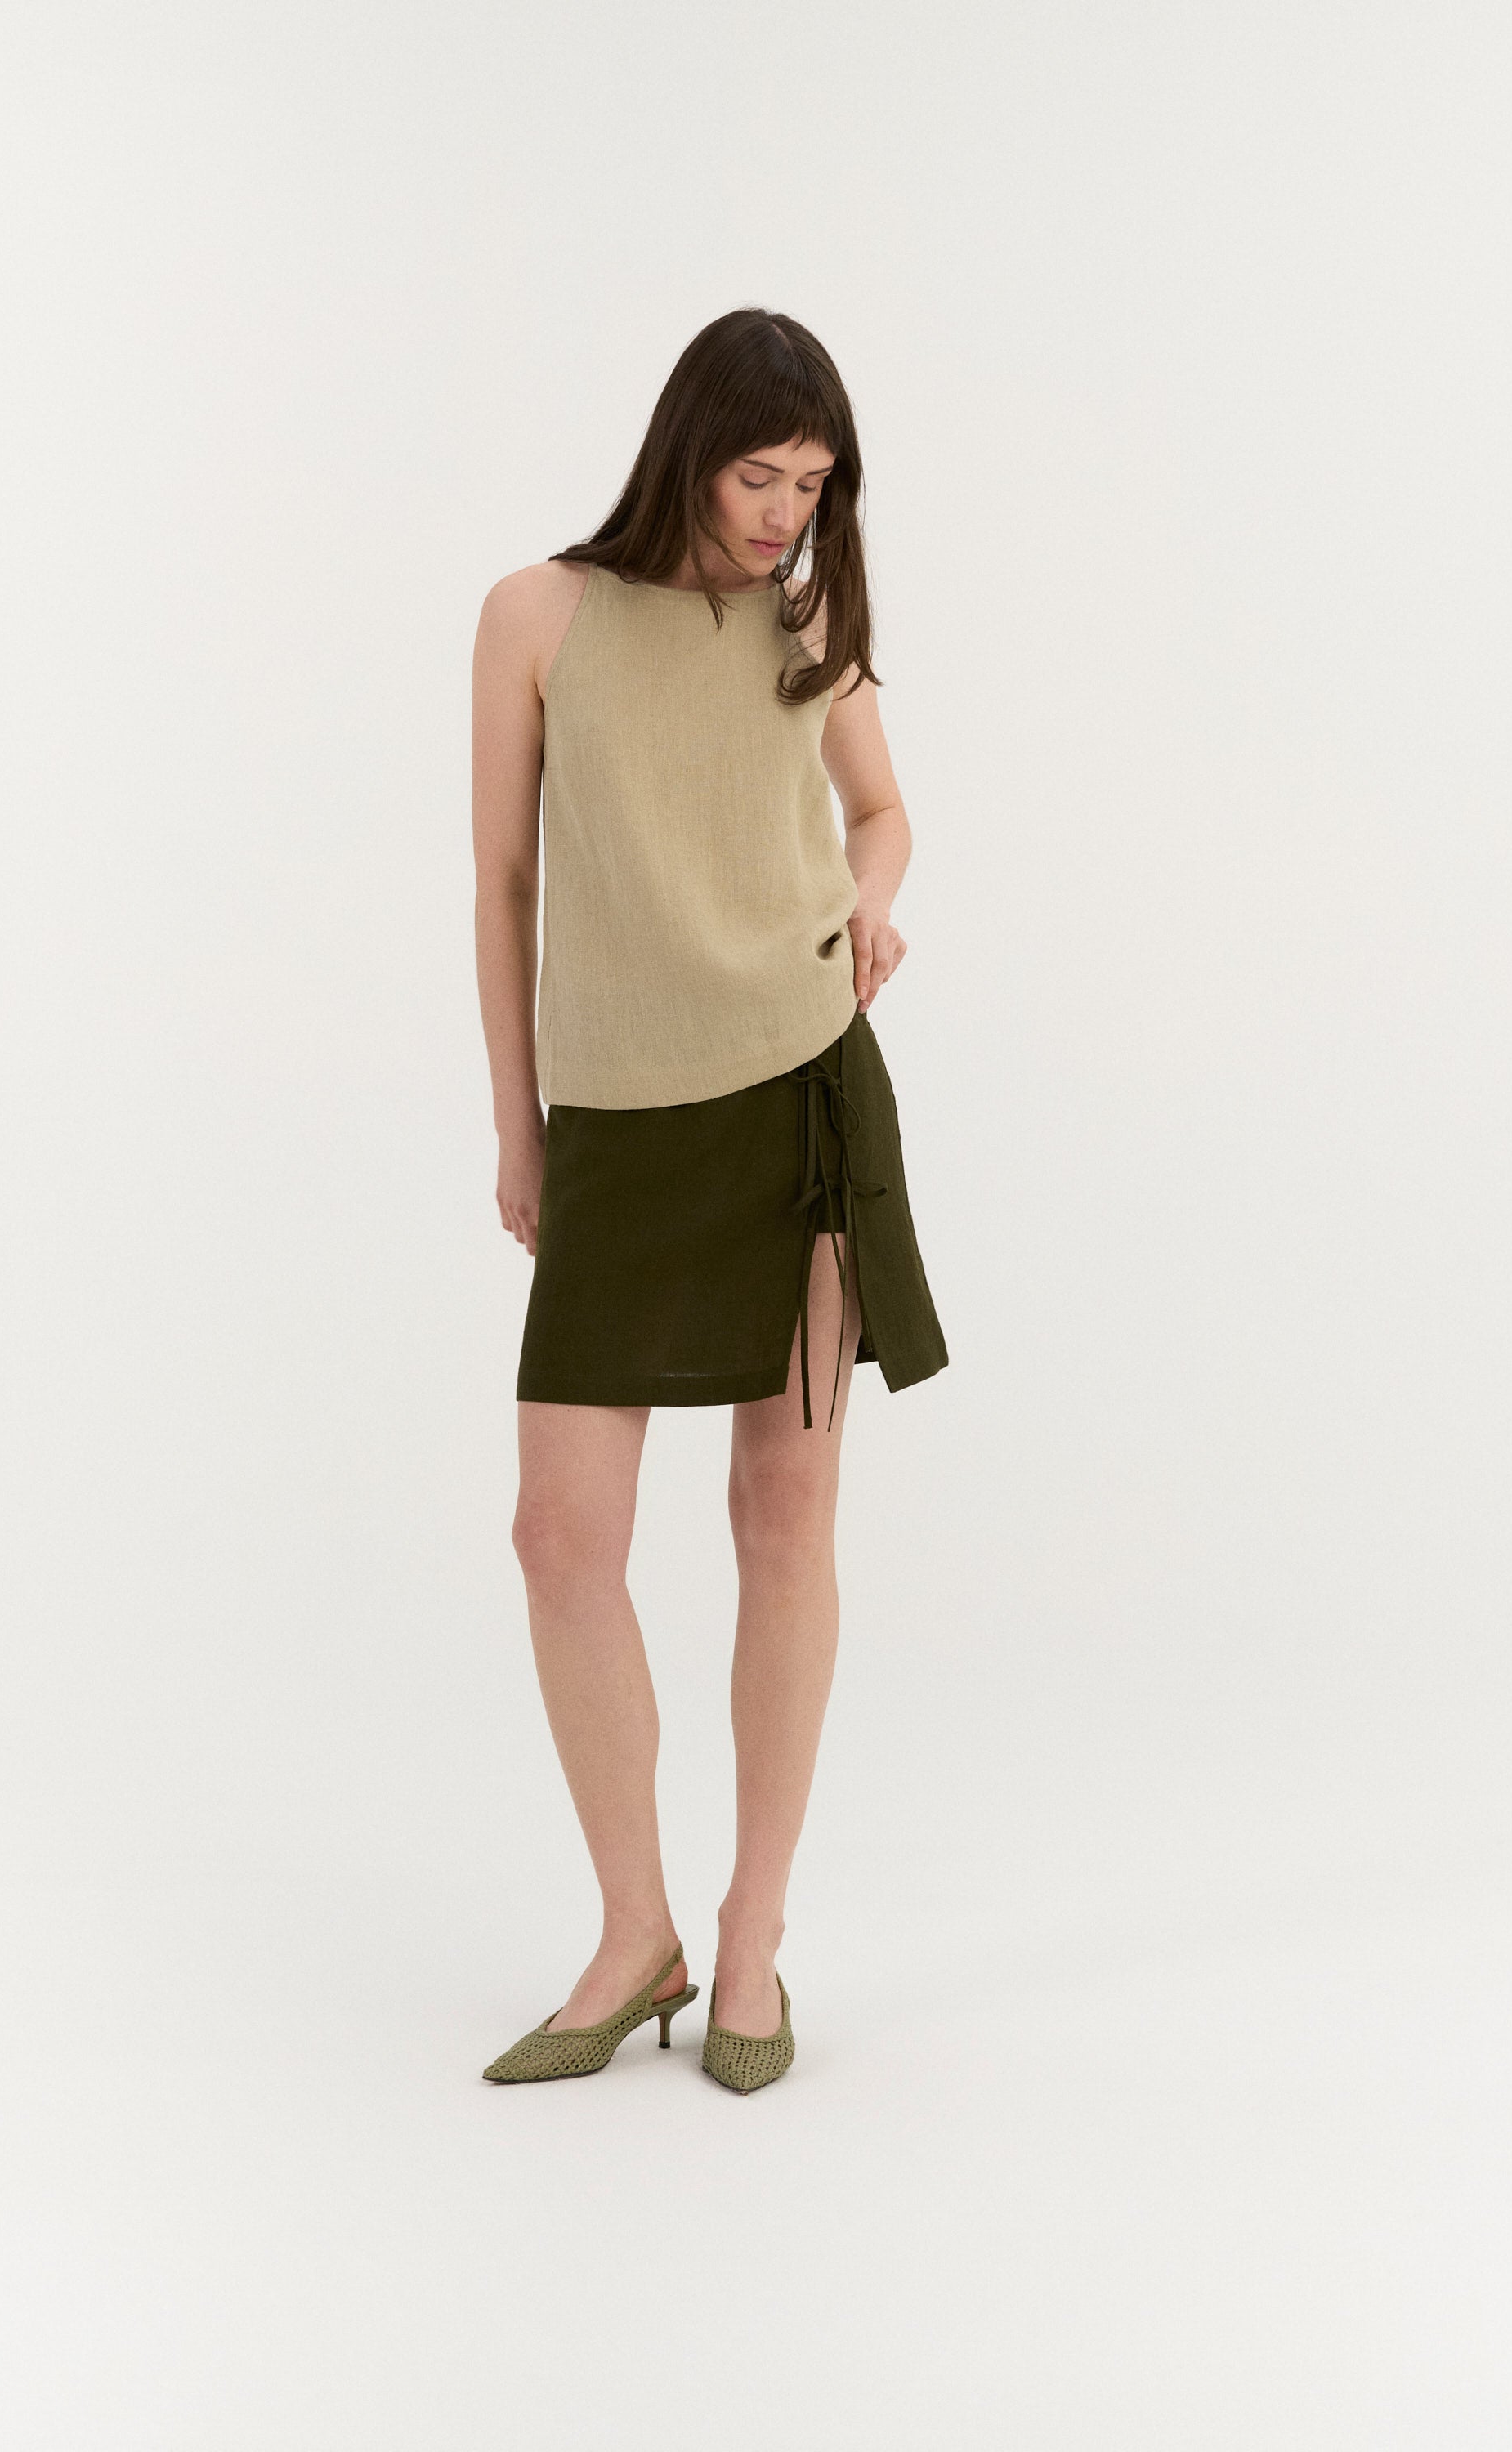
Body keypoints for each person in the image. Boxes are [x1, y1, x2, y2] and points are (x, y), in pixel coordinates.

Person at [470, 307, 948, 2094]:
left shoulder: (811, 624)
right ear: (689, 449)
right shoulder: (539, 616)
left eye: (812, 486)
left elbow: (884, 812)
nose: (781, 515)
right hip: (615, 1121)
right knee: (559, 1535)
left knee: (784, 1510)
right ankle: (634, 1931)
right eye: (759, 475)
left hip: (799, 1102)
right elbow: (502, 881)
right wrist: (519, 1127)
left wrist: (869, 903)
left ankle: (751, 1937)